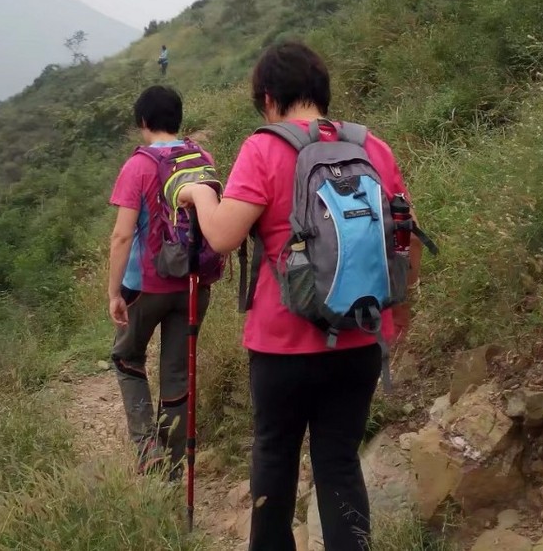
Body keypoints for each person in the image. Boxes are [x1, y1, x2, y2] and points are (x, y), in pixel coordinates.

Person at [178, 42, 422, 551]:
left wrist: (201, 193)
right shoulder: (372, 147)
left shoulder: (264, 148)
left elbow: (222, 235)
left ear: (268, 99)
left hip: (282, 343)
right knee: (338, 462)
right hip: (360, 334)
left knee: (274, 458)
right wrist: (397, 310)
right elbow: (407, 236)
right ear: (321, 92)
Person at [107, 85, 214, 477]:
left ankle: (146, 446)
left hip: (146, 285)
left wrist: (114, 291)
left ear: (144, 122)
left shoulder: (137, 166)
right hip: (192, 284)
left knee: (126, 357)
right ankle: (173, 468)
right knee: (176, 372)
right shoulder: (201, 158)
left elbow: (121, 236)